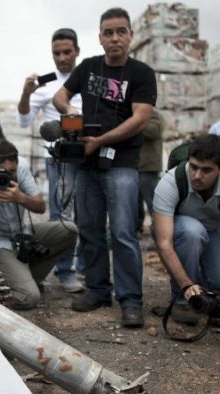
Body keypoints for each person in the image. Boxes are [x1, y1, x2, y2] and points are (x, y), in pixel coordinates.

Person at [53, 8, 157, 327]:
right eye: (108, 32)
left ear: (130, 36)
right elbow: (60, 95)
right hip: (87, 165)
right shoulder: (87, 68)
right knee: (89, 230)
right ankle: (98, 290)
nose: (114, 38)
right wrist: (71, 110)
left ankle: (130, 300)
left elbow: (140, 118)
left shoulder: (141, 73)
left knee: (124, 233)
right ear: (99, 37)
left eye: (120, 31)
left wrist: (101, 140)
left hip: (122, 164)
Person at [0, 139, 77, 310]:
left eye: (12, 171)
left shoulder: (21, 166)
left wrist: (20, 197)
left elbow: (40, 207)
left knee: (69, 230)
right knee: (29, 297)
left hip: (20, 236)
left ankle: (27, 278)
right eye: (2, 172)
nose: (7, 176)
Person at [152, 134, 220, 321]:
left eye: (206, 170)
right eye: (194, 167)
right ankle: (183, 300)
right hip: (176, 231)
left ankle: (208, 296)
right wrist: (186, 285)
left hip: (211, 232)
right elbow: (163, 242)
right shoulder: (171, 182)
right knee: (192, 231)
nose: (197, 176)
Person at [17, 28, 84, 294]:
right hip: (59, 158)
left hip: (89, 154)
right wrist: (26, 92)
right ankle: (65, 271)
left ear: (77, 51)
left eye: (67, 51)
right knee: (61, 217)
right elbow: (23, 120)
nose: (62, 57)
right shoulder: (46, 87)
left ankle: (88, 268)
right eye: (57, 53)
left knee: (89, 215)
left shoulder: (89, 77)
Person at [137, 108, 165, 235]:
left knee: (153, 203)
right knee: (133, 202)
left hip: (148, 167)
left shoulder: (152, 114)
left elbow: (154, 131)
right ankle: (136, 228)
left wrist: (134, 122)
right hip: (134, 166)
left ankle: (160, 232)